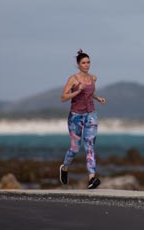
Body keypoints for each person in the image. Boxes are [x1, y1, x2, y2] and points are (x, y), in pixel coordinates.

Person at [59, 49, 106, 189]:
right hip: (75, 116)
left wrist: (98, 98)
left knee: (90, 145)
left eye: (88, 62)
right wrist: (77, 91)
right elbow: (63, 97)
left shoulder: (93, 78)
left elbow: (89, 93)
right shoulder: (73, 79)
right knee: (75, 148)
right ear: (78, 64)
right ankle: (64, 168)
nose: (87, 65)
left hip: (91, 114)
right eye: (84, 63)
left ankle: (92, 179)